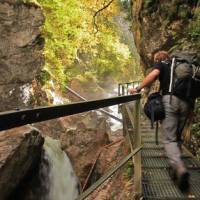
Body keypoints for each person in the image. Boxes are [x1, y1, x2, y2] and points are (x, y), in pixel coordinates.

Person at [128, 50, 191, 192]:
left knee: (169, 139)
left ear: (158, 59)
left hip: (170, 101)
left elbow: (154, 75)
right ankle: (175, 168)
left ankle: (180, 169)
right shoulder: (178, 67)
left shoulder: (162, 64)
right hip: (186, 104)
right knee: (176, 137)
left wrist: (138, 88)